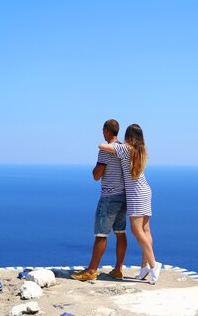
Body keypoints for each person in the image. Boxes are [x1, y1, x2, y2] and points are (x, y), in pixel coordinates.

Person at [99, 123, 162, 284]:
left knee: (136, 230)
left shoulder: (126, 149)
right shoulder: (141, 150)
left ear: (128, 136)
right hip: (145, 190)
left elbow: (103, 146)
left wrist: (112, 142)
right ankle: (144, 267)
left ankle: (154, 265)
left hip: (136, 193)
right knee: (146, 230)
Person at [71, 119, 128, 281]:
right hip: (123, 196)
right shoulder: (124, 150)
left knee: (101, 234)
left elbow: (97, 175)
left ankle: (91, 271)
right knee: (121, 233)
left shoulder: (106, 150)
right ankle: (118, 269)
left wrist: (96, 170)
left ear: (106, 131)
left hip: (109, 197)